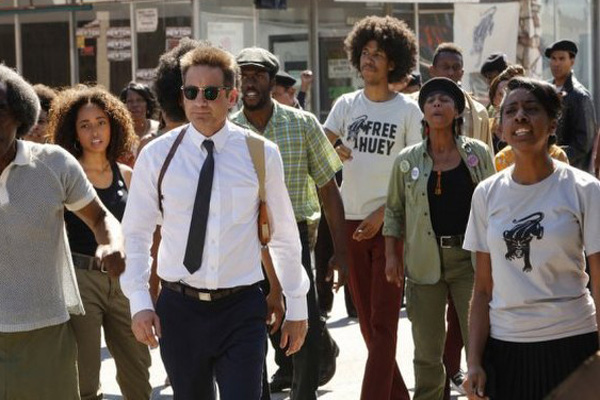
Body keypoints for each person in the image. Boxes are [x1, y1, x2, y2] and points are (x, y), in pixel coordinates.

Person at [120, 44, 309, 399]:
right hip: (179, 309)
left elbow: (284, 235)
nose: (200, 101)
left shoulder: (261, 154)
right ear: (182, 97)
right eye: (191, 92)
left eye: (210, 93)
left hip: (241, 308)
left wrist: (297, 304)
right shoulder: (157, 155)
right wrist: (140, 302)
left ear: (231, 97)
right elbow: (136, 235)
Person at [464, 77, 600, 400]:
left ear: (553, 124)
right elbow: (482, 289)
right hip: (506, 349)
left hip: (573, 343)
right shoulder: (486, 194)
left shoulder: (585, 190)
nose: (520, 116)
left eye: (531, 109)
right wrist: (474, 362)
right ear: (500, 128)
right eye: (510, 111)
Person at [0, 66, 125, 399]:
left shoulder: (54, 164)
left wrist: (111, 244)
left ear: (20, 114)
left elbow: (101, 218)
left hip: (47, 334)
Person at [232, 46, 349, 400]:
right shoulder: (228, 128)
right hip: (242, 240)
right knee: (253, 324)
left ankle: (304, 393)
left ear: (272, 81)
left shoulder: (302, 123)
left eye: (258, 75)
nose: (250, 82)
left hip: (291, 237)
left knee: (304, 322)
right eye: (244, 76)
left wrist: (342, 252)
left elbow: (329, 189)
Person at [323, 15, 422, 400]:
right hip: (350, 222)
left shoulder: (408, 111)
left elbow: (417, 172)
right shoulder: (346, 104)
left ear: (393, 61)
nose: (369, 59)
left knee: (384, 325)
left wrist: (384, 214)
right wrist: (334, 147)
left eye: (378, 54)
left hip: (391, 224)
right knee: (367, 326)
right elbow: (321, 144)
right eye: (364, 52)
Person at [383, 77, 494, 400]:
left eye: (445, 99)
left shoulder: (478, 154)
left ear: (457, 111)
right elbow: (394, 211)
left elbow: (494, 205)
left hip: (470, 262)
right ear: (423, 112)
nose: (436, 104)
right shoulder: (407, 161)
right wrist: (391, 256)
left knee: (481, 345)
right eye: (430, 100)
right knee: (427, 353)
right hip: (423, 263)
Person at [49, 85, 152, 400]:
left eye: (101, 122)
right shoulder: (66, 175)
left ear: (114, 124)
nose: (95, 131)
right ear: (73, 131)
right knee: (85, 378)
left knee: (138, 371)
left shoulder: (127, 174)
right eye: (85, 125)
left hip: (124, 280)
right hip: (81, 279)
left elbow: (142, 231)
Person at [545, 39, 597, 172]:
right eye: (553, 58)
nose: (556, 63)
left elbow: (583, 142)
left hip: (571, 171)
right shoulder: (545, 91)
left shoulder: (580, 96)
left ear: (572, 61)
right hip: (544, 169)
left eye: (562, 59)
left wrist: (556, 158)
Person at [429, 43, 493, 151]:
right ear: (432, 70)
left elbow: (487, 154)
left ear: (462, 73)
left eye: (456, 67)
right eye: (445, 67)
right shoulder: (415, 107)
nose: (451, 72)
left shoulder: (479, 113)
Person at [488, 64, 526, 153]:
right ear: (493, 99)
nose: (504, 99)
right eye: (500, 94)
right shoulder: (486, 127)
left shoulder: (526, 127)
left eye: (509, 93)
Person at [119, 81, 159, 155]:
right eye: (130, 101)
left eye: (139, 100)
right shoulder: (119, 133)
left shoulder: (158, 129)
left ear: (148, 104)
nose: (135, 105)